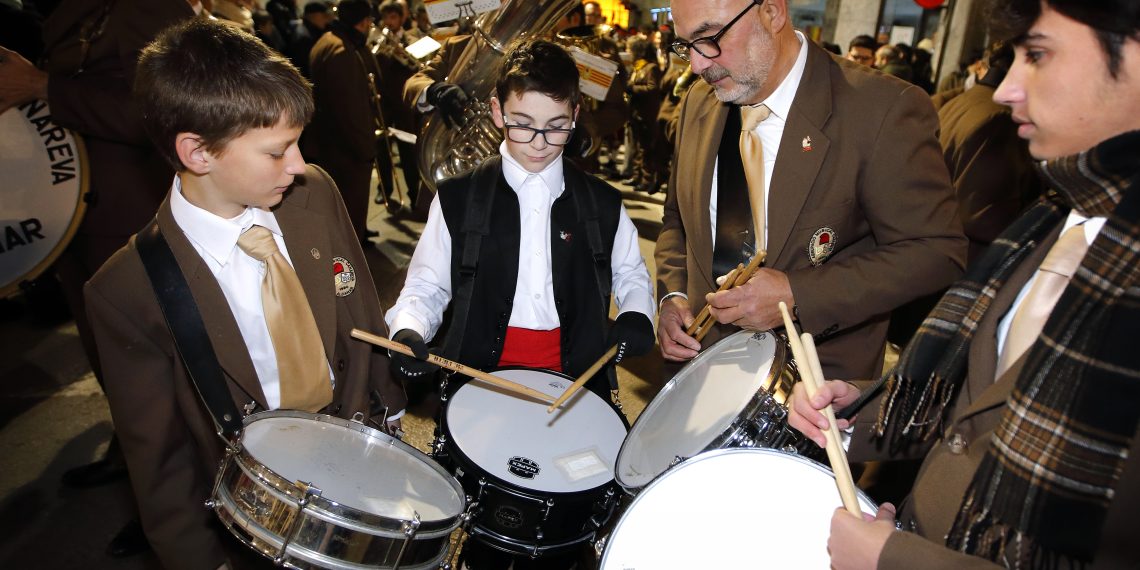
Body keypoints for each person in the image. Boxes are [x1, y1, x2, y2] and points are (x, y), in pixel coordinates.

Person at [788, 0, 1140, 567]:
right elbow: (976, 407)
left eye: (1038, 55)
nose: (1004, 90)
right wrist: (857, 415)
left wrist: (895, 561)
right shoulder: (1054, 216)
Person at [85, 18, 407, 569]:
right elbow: (159, 464)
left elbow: (359, 310)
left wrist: (392, 415)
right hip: (261, 515)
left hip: (360, 467)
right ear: (198, 153)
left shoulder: (314, 194)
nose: (299, 164)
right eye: (277, 151)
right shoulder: (127, 291)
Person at [384, 39, 655, 569]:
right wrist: (409, 329)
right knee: (483, 527)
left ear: (576, 114)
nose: (538, 142)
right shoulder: (458, 197)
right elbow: (427, 285)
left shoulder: (601, 201)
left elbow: (629, 273)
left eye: (556, 125)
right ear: (495, 111)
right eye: (521, 123)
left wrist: (636, 314)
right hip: (480, 378)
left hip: (577, 381)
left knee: (567, 525)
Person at [656, 0, 966, 383]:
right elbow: (677, 220)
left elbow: (937, 251)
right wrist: (671, 298)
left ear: (772, 12)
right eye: (687, 44)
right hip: (702, 374)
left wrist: (799, 294)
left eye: (709, 37)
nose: (697, 65)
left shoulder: (880, 110)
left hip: (812, 387)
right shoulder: (698, 102)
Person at [0, 0, 194, 557]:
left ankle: (173, 504)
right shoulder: (68, 12)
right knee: (113, 364)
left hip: (130, 222)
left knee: (158, 374)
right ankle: (134, 460)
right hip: (76, 219)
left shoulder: (147, 9)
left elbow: (160, 112)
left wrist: (42, 85)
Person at [305, 0, 382, 244]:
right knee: (351, 206)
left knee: (348, 207)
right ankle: (353, 253)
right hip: (346, 149)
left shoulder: (328, 40)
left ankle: (358, 234)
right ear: (364, 21)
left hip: (333, 143)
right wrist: (366, 150)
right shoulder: (342, 51)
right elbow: (352, 109)